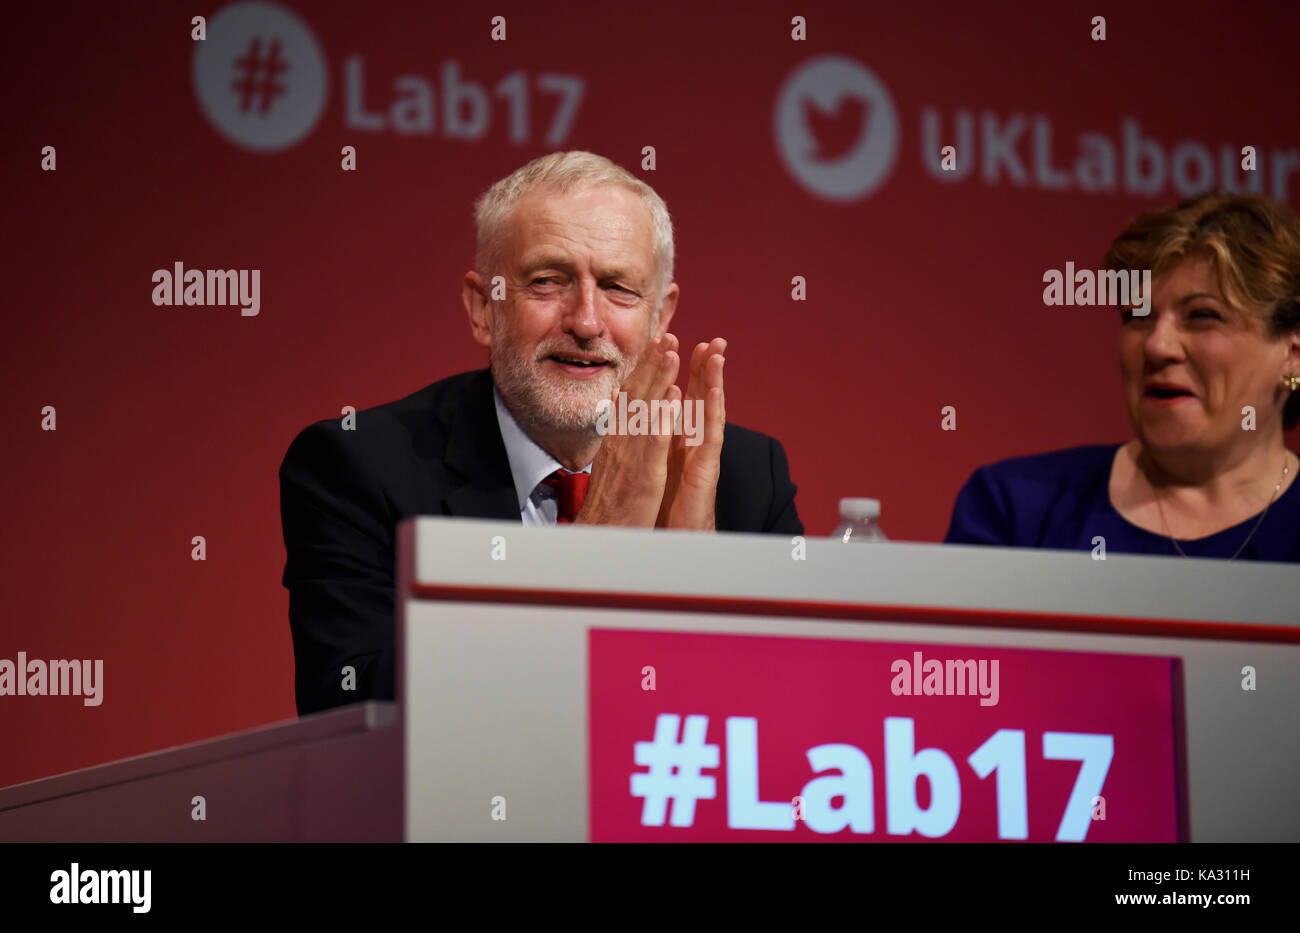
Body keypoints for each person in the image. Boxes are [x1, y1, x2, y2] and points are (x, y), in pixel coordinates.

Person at [280, 151, 802, 715]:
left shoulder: (742, 476)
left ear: (661, 317)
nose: (585, 321)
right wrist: (598, 551)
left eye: (618, 287)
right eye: (547, 281)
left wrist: (700, 591)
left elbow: (801, 704)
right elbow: (349, 707)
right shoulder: (359, 467)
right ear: (484, 308)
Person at [946, 192, 1300, 561]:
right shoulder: (1015, 510)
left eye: (1202, 316)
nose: (1156, 346)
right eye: (1138, 316)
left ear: (1293, 355)